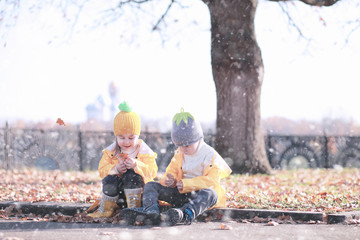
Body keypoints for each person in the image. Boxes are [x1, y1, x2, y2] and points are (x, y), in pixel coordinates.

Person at [120, 108, 232, 226]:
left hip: (198, 197)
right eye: (179, 145)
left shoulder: (210, 155)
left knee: (211, 193)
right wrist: (171, 180)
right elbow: (172, 171)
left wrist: (186, 184)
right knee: (151, 185)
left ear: (198, 139)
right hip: (180, 193)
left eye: (187, 145)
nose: (183, 149)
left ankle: (185, 214)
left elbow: (212, 181)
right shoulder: (180, 153)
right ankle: (151, 211)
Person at [88, 101, 158, 218]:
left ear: (138, 136)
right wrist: (115, 169)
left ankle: (134, 208)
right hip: (117, 196)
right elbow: (102, 171)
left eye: (131, 138)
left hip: (138, 192)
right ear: (116, 136)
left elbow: (152, 172)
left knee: (132, 175)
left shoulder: (145, 152)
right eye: (122, 137)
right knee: (110, 179)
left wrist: (137, 165)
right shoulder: (111, 152)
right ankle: (107, 209)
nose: (126, 142)